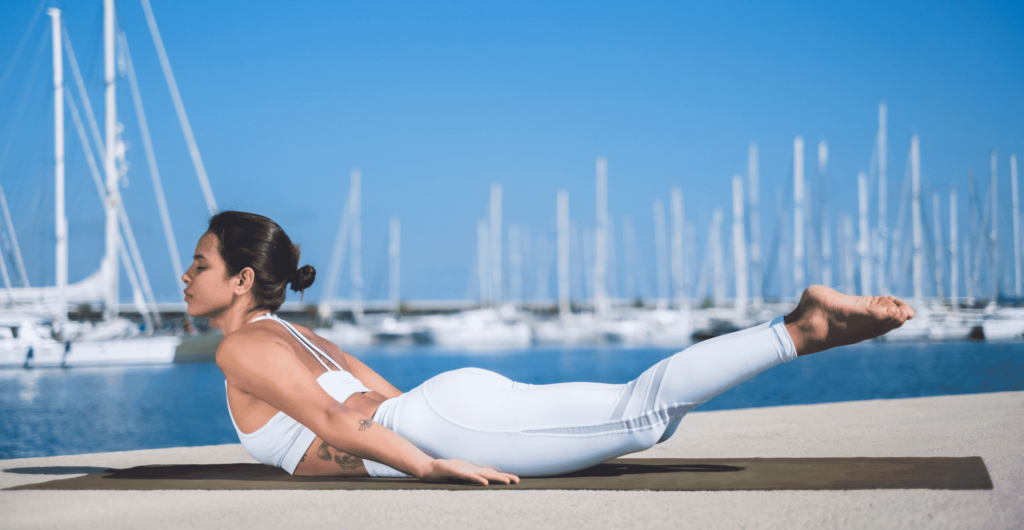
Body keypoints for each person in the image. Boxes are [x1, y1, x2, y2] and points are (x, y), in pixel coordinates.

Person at [184, 211, 914, 486]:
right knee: (643, 415)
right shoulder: (300, 335)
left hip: (435, 424)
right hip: (443, 402)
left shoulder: (241, 347)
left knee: (641, 416)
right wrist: (428, 439)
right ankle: (799, 330)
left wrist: (432, 464)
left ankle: (801, 327)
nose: (186, 277)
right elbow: (370, 396)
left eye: (200, 264)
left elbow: (344, 424)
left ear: (243, 279)